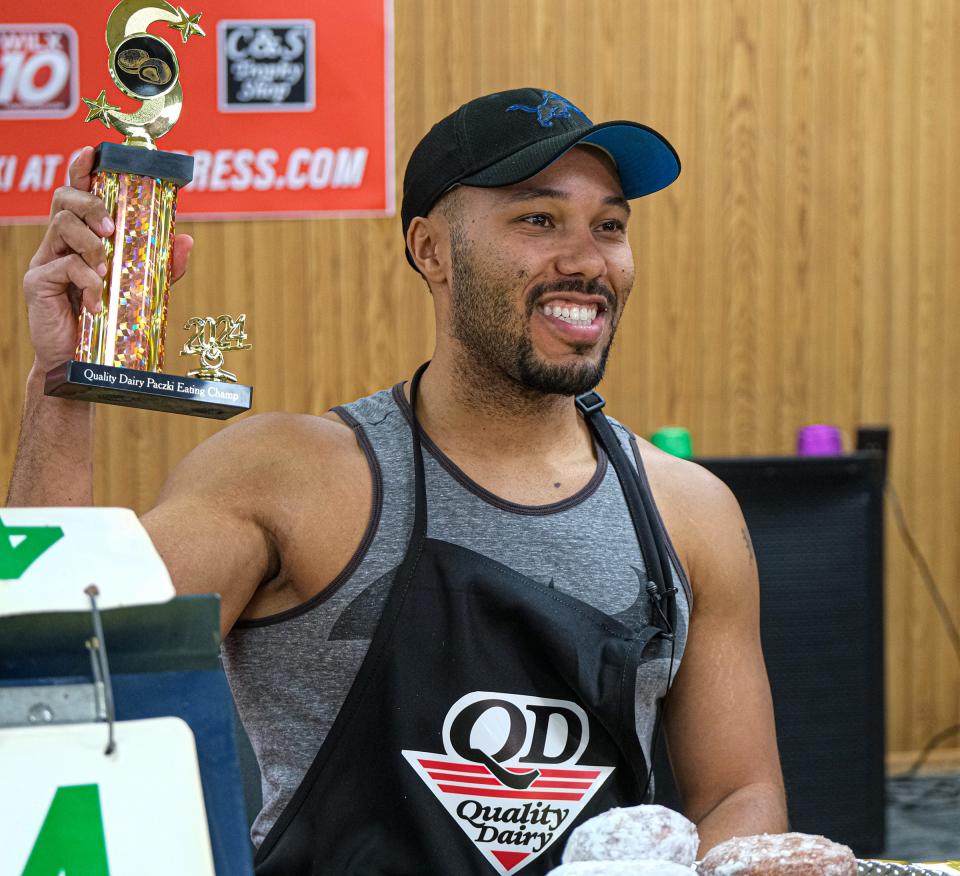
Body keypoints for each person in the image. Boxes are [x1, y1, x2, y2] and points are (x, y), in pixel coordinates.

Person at [8, 87, 787, 874]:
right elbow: (58, 678)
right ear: (431, 249)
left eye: (610, 227)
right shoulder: (289, 477)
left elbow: (739, 795)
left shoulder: (688, 512)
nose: (587, 261)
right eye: (538, 220)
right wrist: (58, 383)